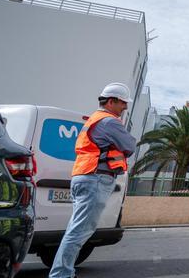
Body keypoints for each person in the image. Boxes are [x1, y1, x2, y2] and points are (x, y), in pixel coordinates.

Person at [49, 83, 137, 278]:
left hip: (84, 175)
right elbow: (130, 145)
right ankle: (61, 274)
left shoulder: (94, 119)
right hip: (95, 178)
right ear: (111, 101)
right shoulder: (109, 122)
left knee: (77, 228)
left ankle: (63, 272)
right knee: (80, 230)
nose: (125, 108)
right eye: (123, 103)